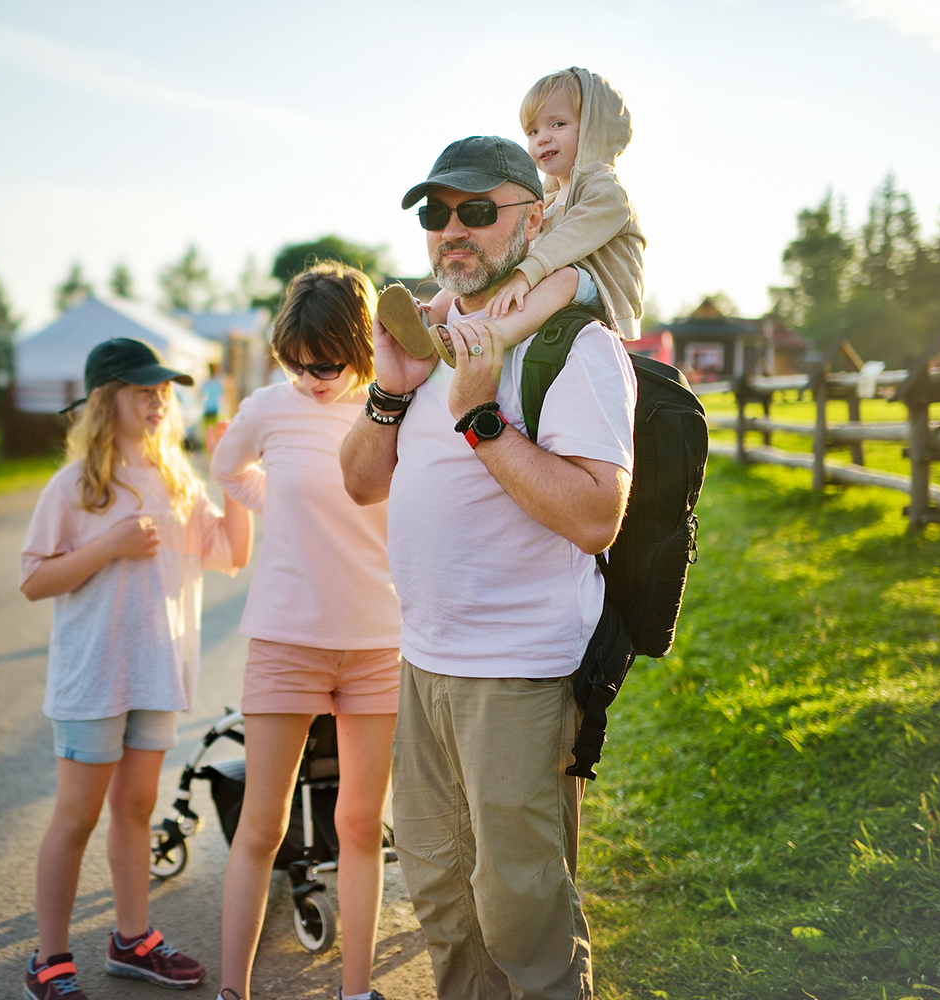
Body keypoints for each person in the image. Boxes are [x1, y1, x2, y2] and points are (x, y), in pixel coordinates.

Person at [340, 136, 637, 1000]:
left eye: (477, 210)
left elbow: (594, 516)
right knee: (439, 896)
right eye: (436, 215)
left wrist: (480, 419)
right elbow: (360, 482)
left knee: (521, 915)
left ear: (534, 217)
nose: (451, 231)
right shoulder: (430, 344)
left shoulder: (575, 349)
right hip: (424, 664)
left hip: (520, 675)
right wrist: (393, 389)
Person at [18, 338, 253, 1000]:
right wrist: (107, 546)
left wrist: (232, 470)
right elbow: (34, 580)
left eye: (163, 393)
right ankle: (50, 959)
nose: (157, 403)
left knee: (137, 807)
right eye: (143, 391)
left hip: (155, 674)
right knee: (77, 815)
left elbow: (233, 553)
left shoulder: (179, 479)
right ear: (104, 401)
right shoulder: (74, 488)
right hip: (94, 679)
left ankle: (132, 938)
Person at [207, 263, 403, 1000]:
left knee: (359, 825)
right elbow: (229, 469)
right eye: (296, 362)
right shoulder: (266, 409)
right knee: (262, 825)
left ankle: (357, 992)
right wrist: (275, 507)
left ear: (357, 346)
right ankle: (234, 991)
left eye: (325, 363)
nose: (311, 378)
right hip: (286, 639)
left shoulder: (393, 408)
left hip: (378, 641)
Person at [407, 67, 645, 360]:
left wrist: (524, 275)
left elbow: (568, 241)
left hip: (602, 291)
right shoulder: (553, 194)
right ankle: (427, 320)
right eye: (533, 131)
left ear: (597, 129)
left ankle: (492, 337)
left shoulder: (607, 191)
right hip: (550, 275)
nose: (542, 138)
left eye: (557, 124)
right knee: (480, 276)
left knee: (565, 277)